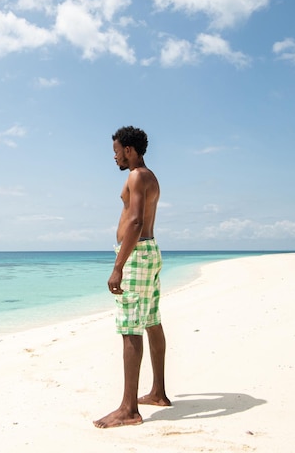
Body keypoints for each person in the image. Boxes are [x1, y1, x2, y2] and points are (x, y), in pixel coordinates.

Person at [94, 126, 171, 429]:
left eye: (116, 151)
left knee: (130, 328)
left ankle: (129, 409)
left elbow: (136, 220)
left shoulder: (137, 176)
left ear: (129, 149)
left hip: (136, 254)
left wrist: (118, 265)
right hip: (149, 252)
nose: (114, 158)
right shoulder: (151, 176)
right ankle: (159, 393)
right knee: (151, 320)